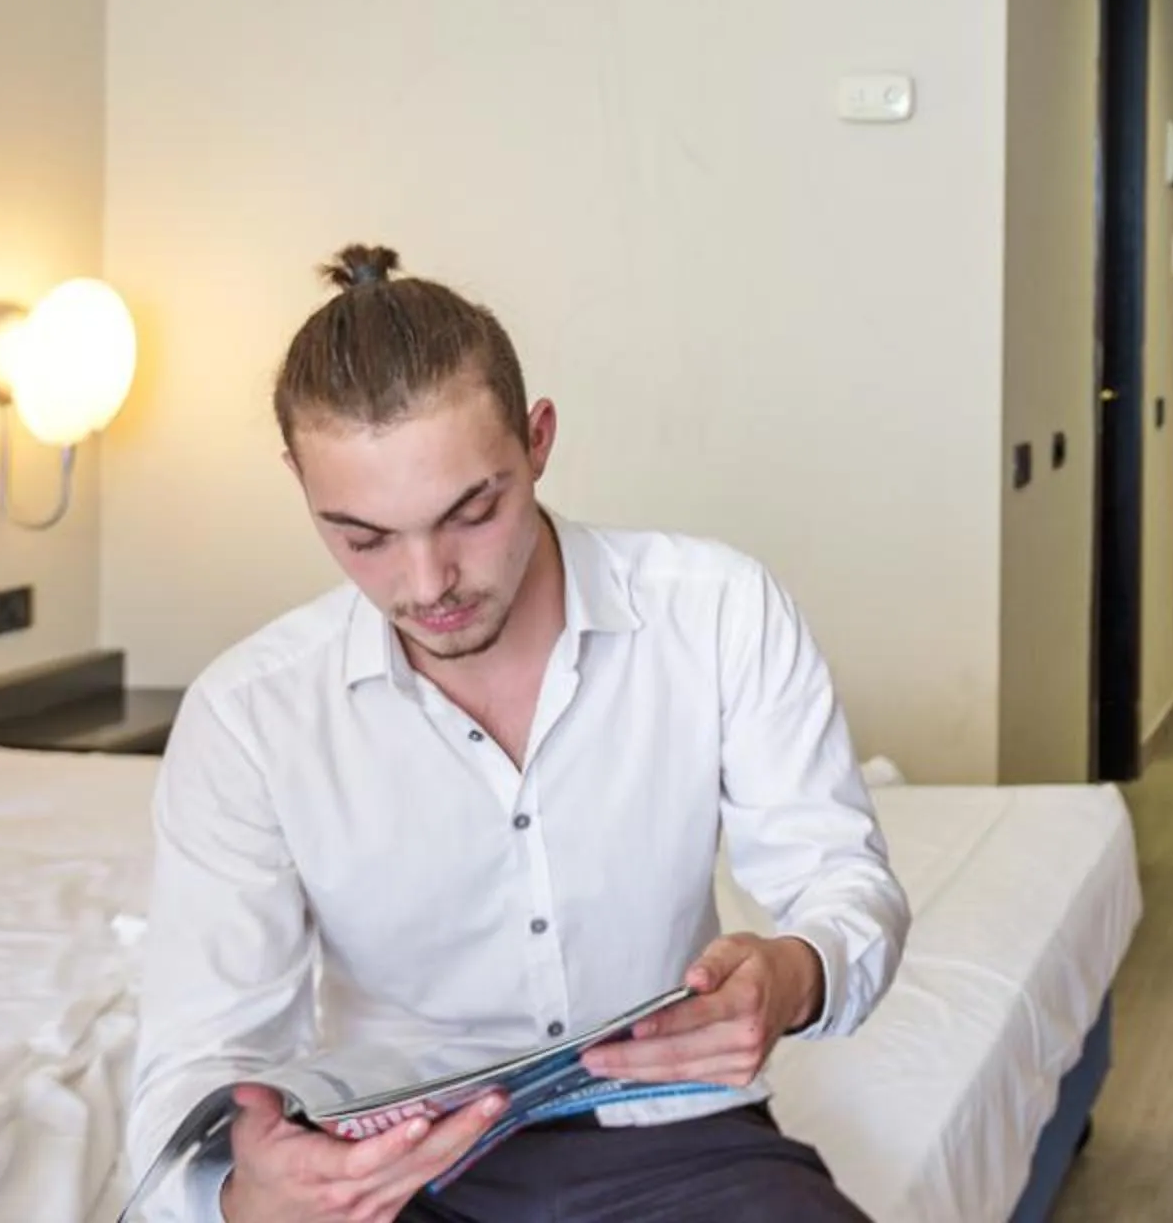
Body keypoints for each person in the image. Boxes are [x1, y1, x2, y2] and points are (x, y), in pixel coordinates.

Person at [125, 247, 908, 1223]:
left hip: (674, 1142)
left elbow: (844, 882)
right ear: (300, 483)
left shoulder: (716, 610)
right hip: (389, 1167)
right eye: (363, 535)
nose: (426, 583)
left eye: (472, 510)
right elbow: (200, 1055)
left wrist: (791, 975)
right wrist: (247, 1190)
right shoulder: (248, 713)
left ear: (537, 440)